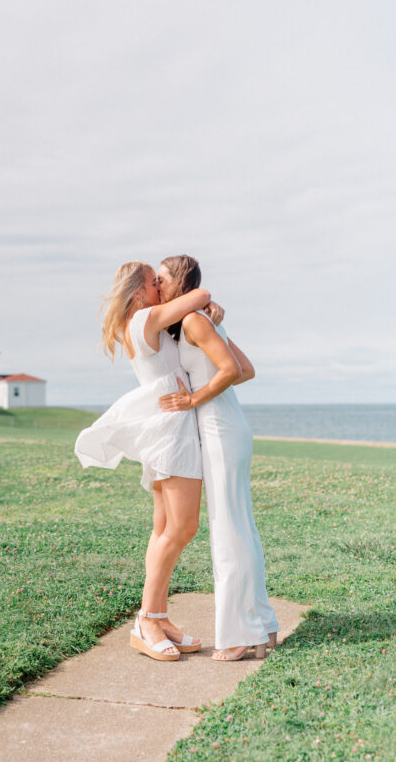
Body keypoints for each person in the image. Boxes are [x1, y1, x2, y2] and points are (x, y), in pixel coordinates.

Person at [75, 261, 223, 661]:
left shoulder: (142, 321)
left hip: (166, 428)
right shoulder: (144, 317)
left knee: (163, 530)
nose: (159, 286)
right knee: (182, 528)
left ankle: (156, 617)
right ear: (139, 292)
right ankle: (146, 620)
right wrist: (207, 304)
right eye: (153, 282)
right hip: (171, 431)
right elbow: (202, 294)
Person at [157, 254, 279, 661]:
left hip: (220, 431)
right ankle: (262, 627)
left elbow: (232, 369)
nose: (157, 287)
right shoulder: (199, 319)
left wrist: (194, 399)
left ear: (179, 281)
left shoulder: (194, 320)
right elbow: (244, 369)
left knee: (228, 530)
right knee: (239, 526)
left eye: (160, 279)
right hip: (227, 425)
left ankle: (240, 637)